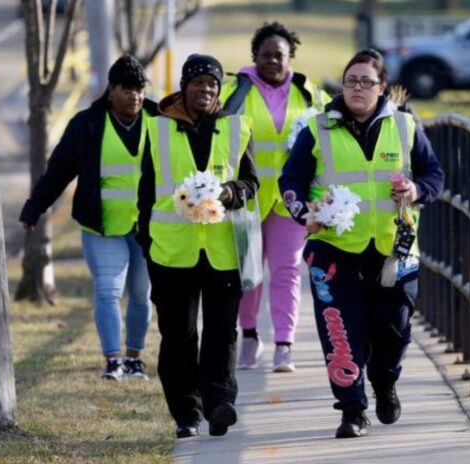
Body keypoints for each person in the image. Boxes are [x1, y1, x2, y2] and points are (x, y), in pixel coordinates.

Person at [278, 49, 444, 438]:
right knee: (340, 330)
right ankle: (352, 410)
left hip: (393, 251)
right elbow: (291, 181)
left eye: (366, 81)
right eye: (351, 80)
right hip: (335, 251)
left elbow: (434, 174)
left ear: (382, 87)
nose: (357, 88)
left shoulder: (404, 126)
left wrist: (416, 189)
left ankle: (384, 382)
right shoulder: (317, 129)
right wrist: (304, 213)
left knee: (394, 333)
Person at [136, 54, 258, 438]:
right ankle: (186, 413)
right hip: (172, 252)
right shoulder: (157, 130)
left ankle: (220, 401)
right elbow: (145, 192)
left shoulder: (236, 129)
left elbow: (251, 184)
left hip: (223, 251)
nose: (205, 89)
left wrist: (231, 191)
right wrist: (147, 241)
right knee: (179, 336)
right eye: (198, 82)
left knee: (222, 331)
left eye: (212, 83)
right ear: (185, 86)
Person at [19, 54, 156, 381]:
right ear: (111, 90)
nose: (135, 96)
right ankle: (113, 360)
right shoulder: (87, 124)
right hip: (102, 226)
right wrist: (35, 206)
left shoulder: (159, 118)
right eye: (127, 89)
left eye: (139, 89)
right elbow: (59, 171)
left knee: (140, 293)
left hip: (149, 228)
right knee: (108, 291)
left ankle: (134, 357)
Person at [220, 21, 329, 372]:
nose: (272, 61)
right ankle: (250, 336)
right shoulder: (235, 93)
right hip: (248, 199)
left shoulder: (309, 94)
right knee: (248, 273)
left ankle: (285, 343)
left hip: (289, 201)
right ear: (255, 57)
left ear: (290, 57)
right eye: (265, 55)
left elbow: (335, 127)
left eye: (279, 55)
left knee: (286, 271)